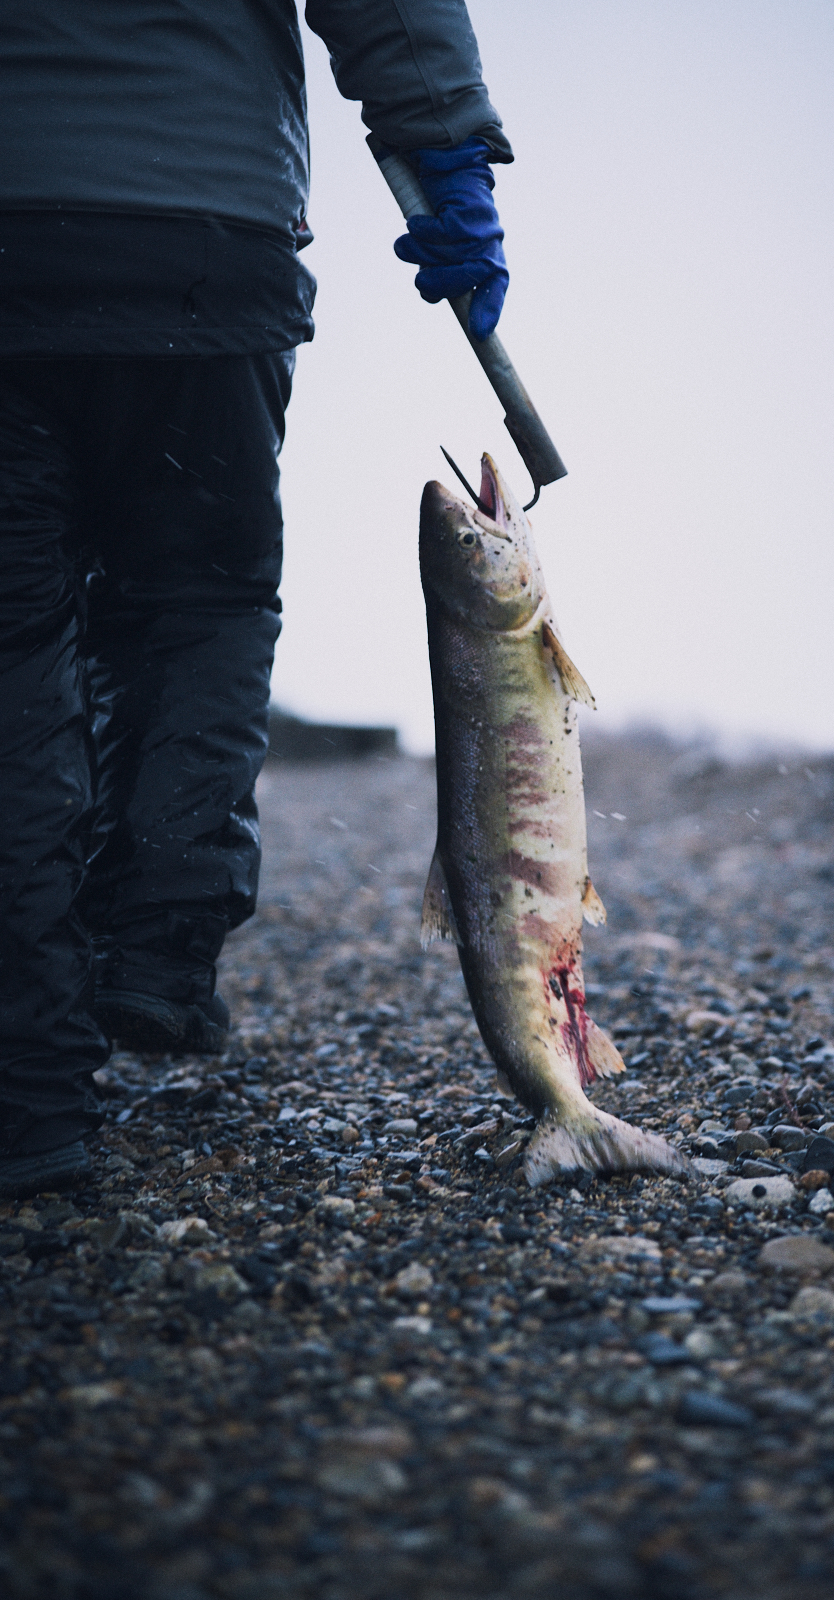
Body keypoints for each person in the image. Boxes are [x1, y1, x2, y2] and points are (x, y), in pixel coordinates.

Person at [0, 1, 512, 1199]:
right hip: (200, 238)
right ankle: (161, 951)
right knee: (199, 602)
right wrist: (444, 144)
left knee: (13, 652)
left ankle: (25, 1107)